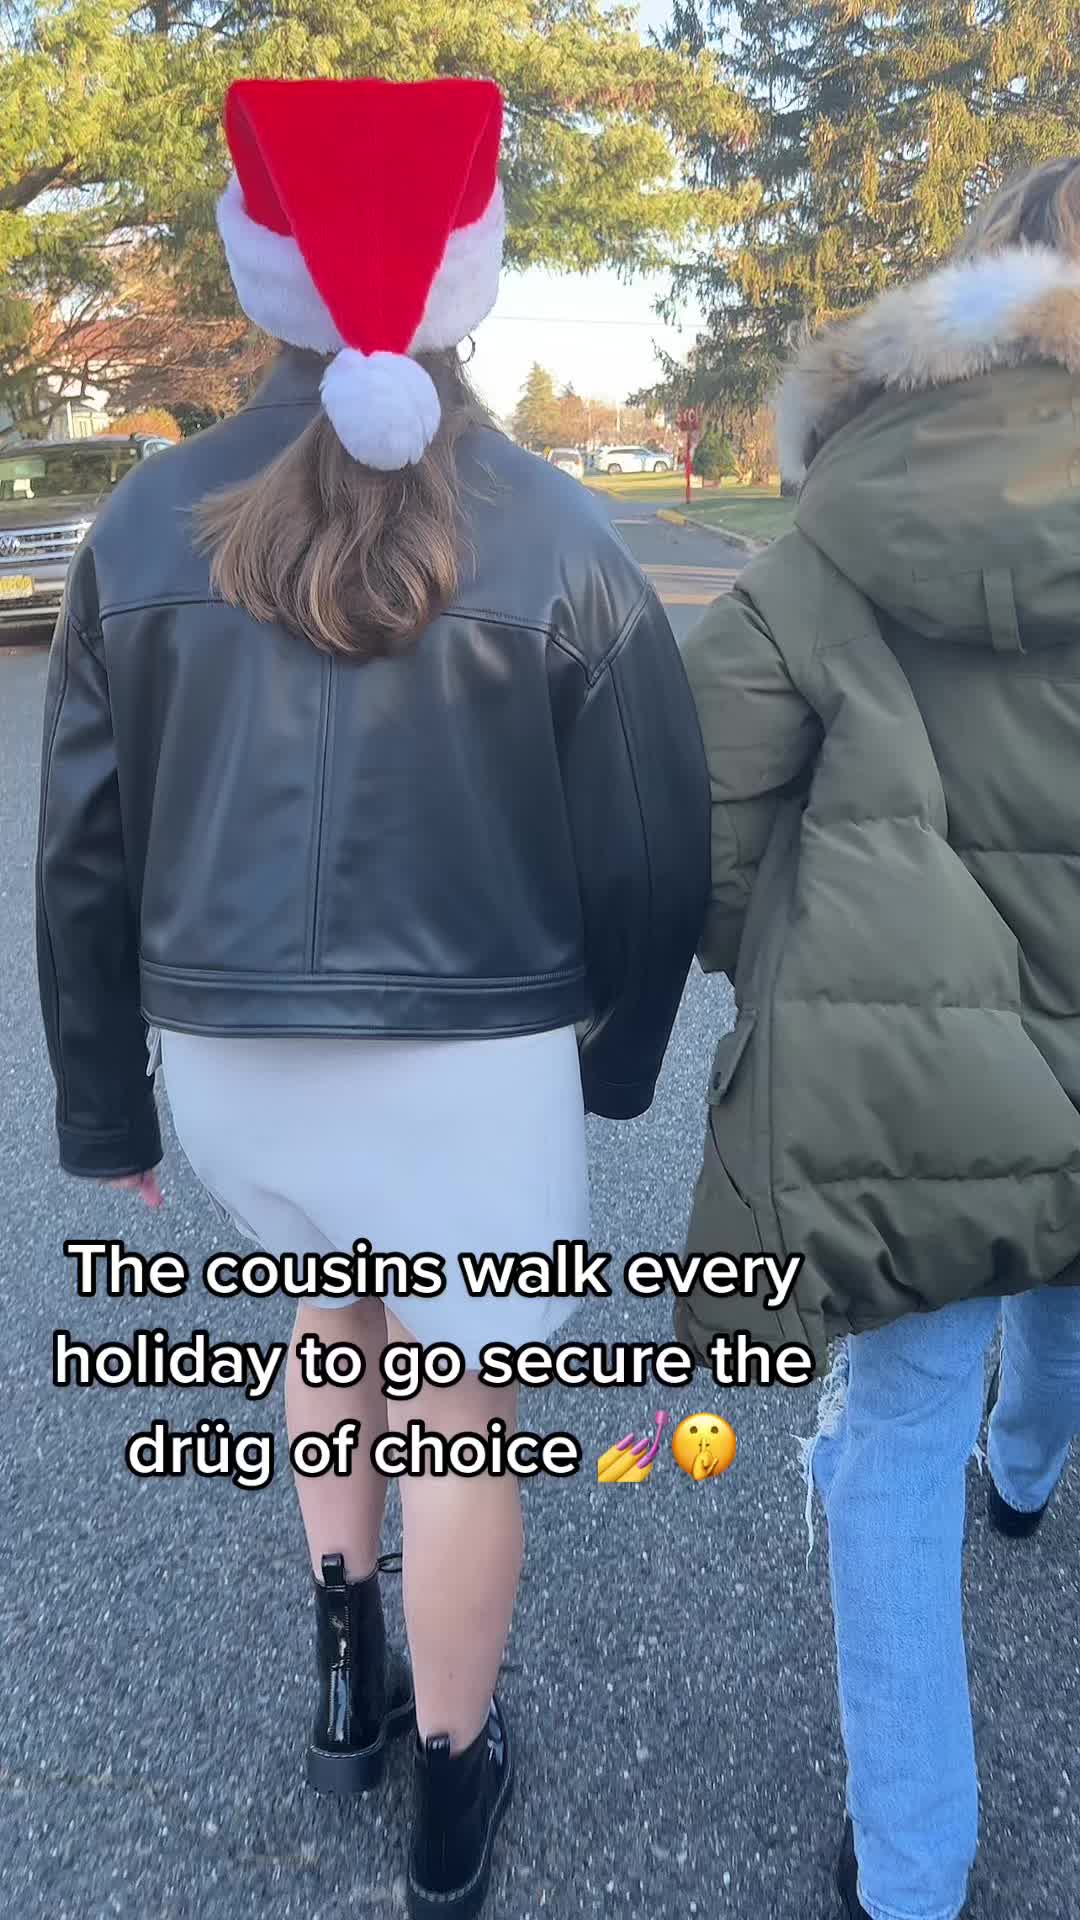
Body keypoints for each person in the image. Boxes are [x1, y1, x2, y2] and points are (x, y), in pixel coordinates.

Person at [34, 75, 709, 1920]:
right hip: (475, 1062)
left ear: (261, 276)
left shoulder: (141, 523)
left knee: (328, 1325)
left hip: (232, 1053)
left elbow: (81, 848)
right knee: (457, 1411)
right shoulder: (560, 530)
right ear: (467, 281)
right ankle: (451, 1791)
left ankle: (348, 1679)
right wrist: (619, 1059)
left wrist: (104, 1106)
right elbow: (655, 846)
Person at [676, 157, 1080, 1920]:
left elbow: (707, 795)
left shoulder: (843, 516)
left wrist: (766, 958)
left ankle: (916, 1871)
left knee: (891, 1436)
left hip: (907, 1074)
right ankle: (1033, 1473)